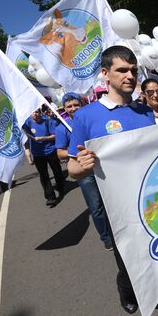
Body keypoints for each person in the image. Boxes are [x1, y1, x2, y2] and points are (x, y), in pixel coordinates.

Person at [67, 46, 158, 315]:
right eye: (122, 70)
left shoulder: (144, 111)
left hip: (157, 202)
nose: (129, 75)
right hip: (119, 211)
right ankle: (126, 288)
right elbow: (72, 169)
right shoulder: (85, 116)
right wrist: (82, 167)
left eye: (133, 70)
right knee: (129, 263)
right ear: (105, 73)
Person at [54, 92, 112, 251]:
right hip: (84, 171)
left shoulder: (90, 120)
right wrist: (77, 152)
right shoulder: (61, 128)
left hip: (102, 166)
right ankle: (106, 237)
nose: (73, 109)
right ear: (65, 109)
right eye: (69, 106)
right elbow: (60, 153)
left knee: (112, 201)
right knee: (96, 206)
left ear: (81, 104)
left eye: (76, 105)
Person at [24, 108, 65, 206]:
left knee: (57, 171)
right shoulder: (27, 123)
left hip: (51, 151)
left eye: (37, 112)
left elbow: (55, 135)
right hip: (38, 153)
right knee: (44, 175)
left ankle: (60, 186)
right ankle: (50, 197)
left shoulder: (47, 121)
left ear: (40, 113)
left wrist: (43, 138)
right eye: (33, 112)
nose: (35, 114)